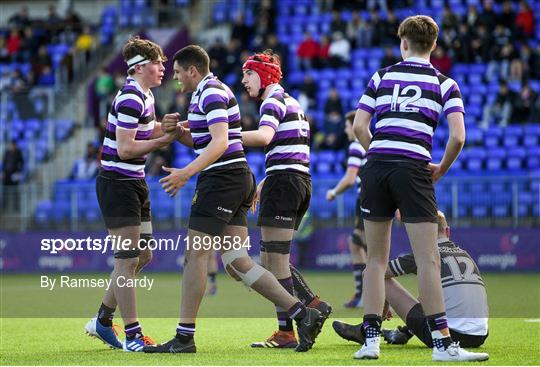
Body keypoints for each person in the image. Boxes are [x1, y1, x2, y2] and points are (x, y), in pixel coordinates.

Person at [143, 45, 324, 354]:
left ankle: (184, 337)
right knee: (235, 260)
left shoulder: (210, 92)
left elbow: (220, 143)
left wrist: (186, 172)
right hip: (235, 177)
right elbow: (204, 141)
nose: (175, 80)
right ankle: (303, 313)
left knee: (195, 255)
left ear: (193, 70)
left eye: (177, 73)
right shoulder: (203, 95)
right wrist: (175, 133)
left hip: (222, 180)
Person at [352, 15, 488, 362]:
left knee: (375, 260)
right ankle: (442, 346)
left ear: (403, 43)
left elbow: (359, 127)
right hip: (413, 170)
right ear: (434, 45)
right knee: (428, 259)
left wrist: (380, 153)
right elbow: (458, 136)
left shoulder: (381, 76)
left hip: (376, 168)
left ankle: (370, 342)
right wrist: (439, 169)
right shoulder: (445, 83)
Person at [85, 36, 178, 352]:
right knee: (126, 261)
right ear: (140, 68)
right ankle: (134, 335)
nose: (163, 67)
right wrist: (160, 141)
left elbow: (148, 131)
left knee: (143, 256)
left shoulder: (146, 96)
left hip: (134, 182)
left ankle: (102, 319)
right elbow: (125, 149)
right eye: (158, 63)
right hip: (118, 182)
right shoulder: (130, 98)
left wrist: (172, 130)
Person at [239, 50, 332, 349]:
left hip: (285, 184)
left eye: (248, 74)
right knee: (270, 259)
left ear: (264, 75)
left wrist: (221, 135)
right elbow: (291, 151)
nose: (244, 81)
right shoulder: (291, 102)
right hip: (296, 181)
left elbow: (265, 137)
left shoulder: (272, 101)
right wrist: (267, 180)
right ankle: (313, 303)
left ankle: (289, 330)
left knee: (275, 263)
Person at [333, 211, 489, 349]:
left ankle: (365, 331)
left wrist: (381, 300)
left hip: (447, 335)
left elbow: (371, 274)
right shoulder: (465, 254)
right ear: (447, 231)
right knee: (432, 297)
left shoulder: (425, 254)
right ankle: (403, 333)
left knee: (378, 275)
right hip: (480, 335)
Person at [326, 111, 367, 308]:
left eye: (346, 125)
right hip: (374, 198)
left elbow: (350, 178)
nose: (344, 129)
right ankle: (366, 293)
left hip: (367, 199)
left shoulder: (356, 146)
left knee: (358, 243)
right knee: (362, 245)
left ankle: (366, 294)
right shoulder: (370, 144)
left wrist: (333, 192)